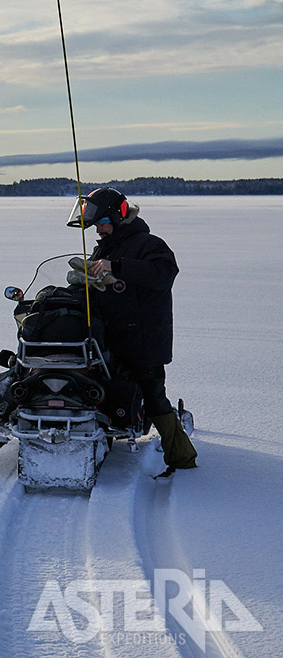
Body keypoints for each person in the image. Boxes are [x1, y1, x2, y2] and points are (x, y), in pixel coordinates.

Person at [70, 187, 197, 473]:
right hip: (111, 336)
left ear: (118, 216)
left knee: (153, 396)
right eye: (96, 225)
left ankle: (182, 458)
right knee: (107, 389)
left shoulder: (148, 244)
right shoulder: (107, 245)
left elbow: (164, 273)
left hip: (143, 339)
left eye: (102, 223)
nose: (99, 230)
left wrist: (118, 266)